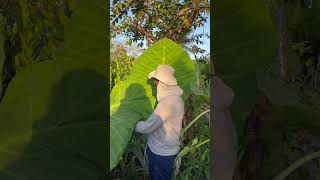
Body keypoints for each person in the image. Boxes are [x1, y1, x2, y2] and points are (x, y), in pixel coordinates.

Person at [134, 64, 184, 180]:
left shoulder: (167, 102)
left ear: (162, 83)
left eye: (156, 81)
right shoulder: (176, 97)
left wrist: (133, 124)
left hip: (161, 154)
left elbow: (148, 127)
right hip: (167, 150)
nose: (155, 84)